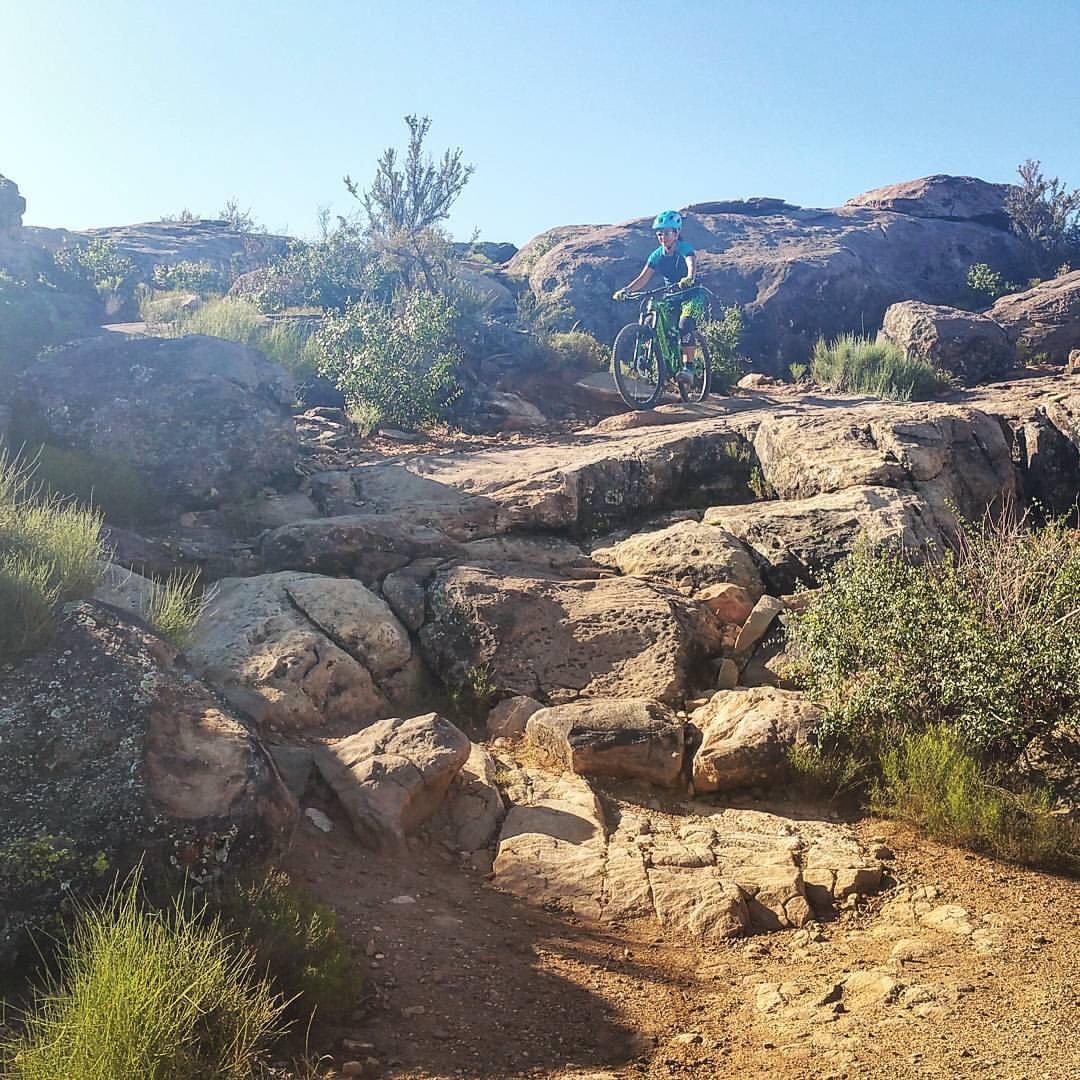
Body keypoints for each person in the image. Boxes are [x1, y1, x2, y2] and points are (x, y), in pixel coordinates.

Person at [612, 210, 705, 383]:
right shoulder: (656, 255)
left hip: (691, 295)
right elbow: (643, 278)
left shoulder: (684, 248)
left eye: (667, 233)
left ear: (676, 233)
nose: (663, 237)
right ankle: (658, 360)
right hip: (672, 296)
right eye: (659, 234)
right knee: (654, 318)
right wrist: (627, 290)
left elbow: (690, 262)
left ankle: (689, 368)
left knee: (684, 325)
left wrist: (689, 277)